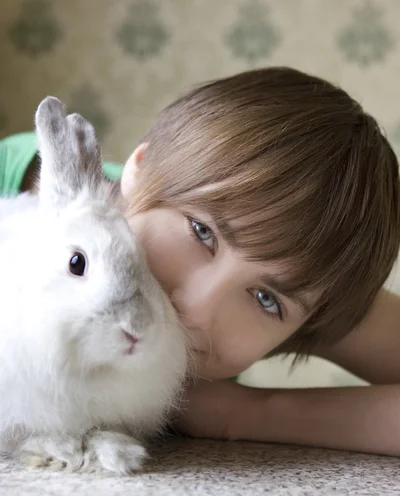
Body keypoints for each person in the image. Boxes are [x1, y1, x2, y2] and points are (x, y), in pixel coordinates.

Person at [2, 66, 400, 456]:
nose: (195, 308)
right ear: (138, 170)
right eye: (202, 232)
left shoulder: (318, 276)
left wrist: (246, 413)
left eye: (265, 299)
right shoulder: (19, 187)